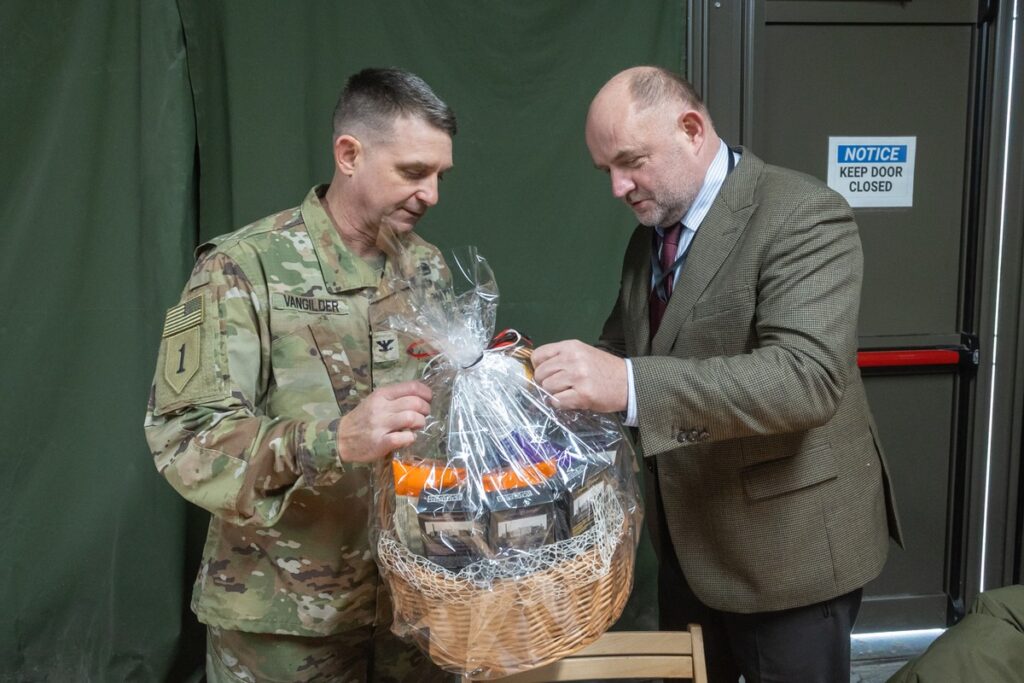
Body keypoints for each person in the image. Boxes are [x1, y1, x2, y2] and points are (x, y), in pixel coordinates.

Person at [531, 66, 903, 682]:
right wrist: (524, 380)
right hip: (691, 548)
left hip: (788, 558)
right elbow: (621, 347)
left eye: (631, 162)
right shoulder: (649, 236)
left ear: (691, 129)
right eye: (607, 172)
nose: (619, 187)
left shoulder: (804, 215)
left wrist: (625, 385)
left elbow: (805, 380)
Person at [144, 67, 454, 682]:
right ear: (349, 154)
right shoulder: (241, 268)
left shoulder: (429, 272)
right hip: (281, 625)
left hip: (413, 615)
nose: (431, 195)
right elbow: (186, 438)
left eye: (441, 175)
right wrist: (332, 441)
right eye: (414, 172)